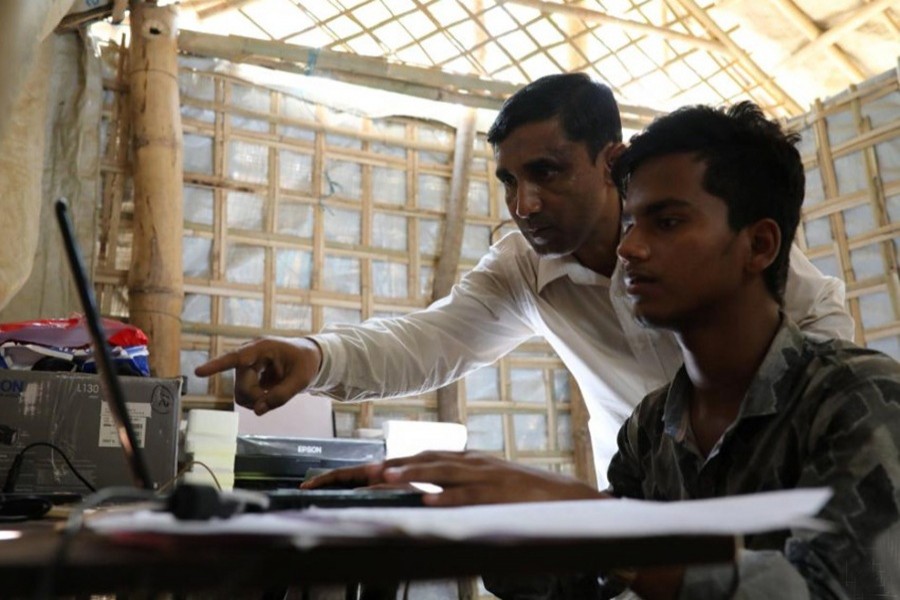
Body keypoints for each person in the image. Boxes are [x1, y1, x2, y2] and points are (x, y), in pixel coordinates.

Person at [303, 102, 900, 600]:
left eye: (666, 223)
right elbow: (583, 583)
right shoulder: (652, 428)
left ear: (759, 245)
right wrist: (484, 525)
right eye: (633, 223)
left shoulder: (858, 402)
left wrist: (596, 519)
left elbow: (837, 589)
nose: (631, 248)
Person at [195, 73, 854, 486]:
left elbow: (833, 394)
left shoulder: (741, 264)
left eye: (547, 172)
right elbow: (430, 341)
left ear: (612, 162)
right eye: (510, 181)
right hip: (639, 514)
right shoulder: (523, 269)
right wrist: (315, 357)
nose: (523, 205)